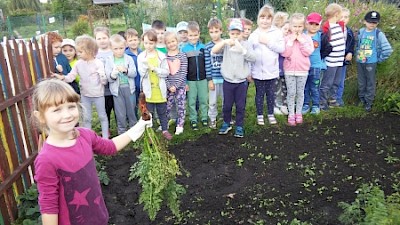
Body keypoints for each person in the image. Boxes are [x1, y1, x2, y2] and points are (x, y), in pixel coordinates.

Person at [33, 79, 151, 225]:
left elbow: (110, 147)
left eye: (71, 107)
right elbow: (48, 206)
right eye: (57, 110)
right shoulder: (47, 159)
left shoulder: (85, 135)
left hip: (98, 216)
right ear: (41, 117)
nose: (67, 115)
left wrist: (139, 127)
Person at [52, 35, 109, 138]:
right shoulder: (78, 64)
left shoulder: (98, 63)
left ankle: (105, 138)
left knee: (102, 116)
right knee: (87, 118)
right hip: (85, 95)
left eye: (80, 52)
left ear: (90, 51)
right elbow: (71, 77)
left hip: (98, 95)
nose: (78, 54)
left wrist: (102, 76)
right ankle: (88, 138)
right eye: (78, 51)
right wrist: (62, 78)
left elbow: (104, 81)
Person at [212, 18, 256, 137]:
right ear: (229, 33)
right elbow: (213, 51)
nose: (235, 36)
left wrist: (242, 50)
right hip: (228, 81)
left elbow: (253, 58)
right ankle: (227, 122)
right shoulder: (226, 45)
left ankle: (239, 125)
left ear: (242, 33)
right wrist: (225, 42)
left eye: (238, 33)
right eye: (233, 34)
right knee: (227, 105)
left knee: (240, 105)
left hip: (241, 82)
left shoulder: (246, 44)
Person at [249, 5, 285, 126]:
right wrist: (249, 71)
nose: (265, 20)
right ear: (258, 19)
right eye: (262, 17)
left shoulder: (277, 33)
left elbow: (281, 48)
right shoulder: (253, 35)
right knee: (259, 94)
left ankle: (270, 114)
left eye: (268, 18)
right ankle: (259, 115)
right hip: (258, 72)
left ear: (272, 19)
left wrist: (268, 42)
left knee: (271, 94)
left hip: (272, 71)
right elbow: (249, 55)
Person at [137, 29, 172, 140]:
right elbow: (141, 73)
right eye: (146, 43)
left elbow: (166, 72)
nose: (148, 46)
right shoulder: (141, 57)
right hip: (148, 91)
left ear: (155, 43)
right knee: (149, 112)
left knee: (162, 111)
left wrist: (155, 69)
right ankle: (150, 131)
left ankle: (165, 129)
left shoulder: (161, 56)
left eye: (151, 43)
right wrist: (145, 67)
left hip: (159, 90)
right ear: (143, 42)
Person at [356, 10, 393, 112]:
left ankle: (368, 102)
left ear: (377, 23)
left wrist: (379, 59)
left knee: (370, 83)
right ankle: (361, 99)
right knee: (361, 82)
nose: (372, 24)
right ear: (364, 22)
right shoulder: (361, 32)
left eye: (374, 22)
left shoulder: (378, 34)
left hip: (371, 62)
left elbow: (388, 49)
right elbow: (357, 45)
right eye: (370, 22)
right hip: (360, 61)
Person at [281, 13, 314, 126]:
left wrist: (301, 41)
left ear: (303, 26)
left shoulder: (306, 38)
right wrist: (291, 42)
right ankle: (291, 113)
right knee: (291, 93)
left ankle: (298, 113)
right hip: (289, 70)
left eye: (299, 26)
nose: (297, 29)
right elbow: (285, 53)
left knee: (300, 92)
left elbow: (308, 52)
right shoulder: (286, 39)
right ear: (290, 26)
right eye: (294, 26)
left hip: (302, 70)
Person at [105, 34, 138, 135]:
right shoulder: (109, 60)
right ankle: (122, 131)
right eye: (116, 49)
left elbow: (134, 73)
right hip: (117, 90)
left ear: (125, 46)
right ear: (111, 48)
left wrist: (126, 70)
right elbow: (109, 78)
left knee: (131, 110)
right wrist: (113, 74)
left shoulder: (128, 59)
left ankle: (134, 130)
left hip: (129, 88)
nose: (119, 51)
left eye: (121, 48)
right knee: (120, 112)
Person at [181, 21, 208, 130]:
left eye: (195, 35)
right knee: (191, 101)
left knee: (203, 99)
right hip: (190, 80)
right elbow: (182, 67)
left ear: (199, 34)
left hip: (203, 79)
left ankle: (204, 117)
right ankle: (193, 118)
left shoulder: (203, 47)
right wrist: (185, 82)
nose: (193, 37)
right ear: (187, 35)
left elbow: (207, 63)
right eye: (190, 35)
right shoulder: (184, 49)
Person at [302, 12, 330, 115]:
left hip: (316, 67)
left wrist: (320, 58)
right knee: (304, 86)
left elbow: (328, 48)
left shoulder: (321, 36)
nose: (313, 26)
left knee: (314, 87)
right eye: (311, 24)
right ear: (306, 23)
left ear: (320, 24)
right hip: (303, 67)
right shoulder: (302, 35)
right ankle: (305, 104)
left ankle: (315, 105)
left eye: (316, 24)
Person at [319, 3, 346, 110]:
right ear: (336, 14)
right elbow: (324, 42)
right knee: (327, 83)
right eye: (340, 14)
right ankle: (322, 103)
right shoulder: (326, 27)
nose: (341, 16)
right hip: (331, 61)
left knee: (336, 82)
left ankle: (333, 100)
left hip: (340, 60)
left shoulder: (340, 26)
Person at [164, 31, 188, 135]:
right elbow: (164, 73)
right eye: (168, 42)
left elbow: (183, 72)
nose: (171, 44)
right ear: (166, 44)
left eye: (173, 41)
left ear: (177, 41)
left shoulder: (182, 55)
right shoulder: (164, 57)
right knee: (167, 105)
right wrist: (169, 86)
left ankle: (180, 124)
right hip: (168, 88)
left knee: (181, 105)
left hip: (180, 87)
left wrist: (176, 85)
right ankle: (165, 123)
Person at [205, 18, 224, 129]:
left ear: (221, 31)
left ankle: (226, 116)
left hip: (225, 79)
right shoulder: (207, 47)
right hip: (214, 79)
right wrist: (210, 80)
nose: (214, 34)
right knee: (212, 102)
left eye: (216, 31)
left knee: (226, 100)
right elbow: (207, 64)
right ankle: (212, 119)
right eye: (211, 32)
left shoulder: (225, 44)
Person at [94, 26, 114, 126]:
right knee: (106, 110)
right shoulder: (95, 54)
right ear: (95, 40)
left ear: (109, 38)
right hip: (103, 90)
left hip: (115, 87)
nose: (102, 41)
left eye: (104, 38)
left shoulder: (114, 51)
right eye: (99, 38)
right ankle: (107, 128)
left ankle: (122, 127)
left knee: (119, 110)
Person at [336, 7, 355, 107]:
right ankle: (326, 98)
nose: (343, 19)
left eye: (346, 17)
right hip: (332, 60)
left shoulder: (349, 32)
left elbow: (351, 44)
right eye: (341, 17)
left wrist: (350, 53)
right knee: (329, 81)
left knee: (340, 80)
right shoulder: (332, 30)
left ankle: (338, 98)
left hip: (343, 60)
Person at [124, 28, 142, 117]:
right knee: (132, 103)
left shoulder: (142, 52)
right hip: (132, 83)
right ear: (126, 42)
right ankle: (133, 119)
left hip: (142, 83)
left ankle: (145, 119)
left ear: (138, 40)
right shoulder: (125, 54)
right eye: (130, 40)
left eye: (135, 40)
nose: (133, 42)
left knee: (142, 102)